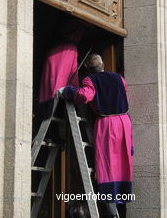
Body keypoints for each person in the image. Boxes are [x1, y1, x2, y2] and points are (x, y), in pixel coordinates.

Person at [60, 54, 133, 218]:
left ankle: (113, 213)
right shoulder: (119, 78)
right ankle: (118, 208)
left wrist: (67, 90)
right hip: (124, 122)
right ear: (103, 65)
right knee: (122, 164)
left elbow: (85, 96)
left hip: (107, 124)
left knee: (106, 167)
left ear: (87, 68)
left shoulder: (89, 80)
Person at [38, 16, 84, 119]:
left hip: (59, 50)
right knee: (56, 82)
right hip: (65, 50)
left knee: (54, 81)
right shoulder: (70, 43)